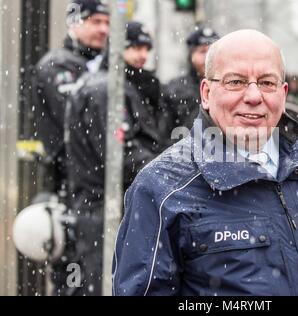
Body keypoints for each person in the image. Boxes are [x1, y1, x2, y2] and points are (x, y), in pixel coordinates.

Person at [112, 29, 298, 296]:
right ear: (206, 93)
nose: (253, 96)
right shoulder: (161, 188)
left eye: (266, 82)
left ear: (283, 93)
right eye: (236, 82)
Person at [54, 21, 166, 296]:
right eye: (134, 47)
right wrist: (167, 170)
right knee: (104, 283)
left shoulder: (108, 86)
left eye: (145, 48)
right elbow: (121, 154)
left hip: (98, 208)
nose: (142, 55)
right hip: (104, 211)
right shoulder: (108, 90)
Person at [33, 0, 110, 195]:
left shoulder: (101, 65)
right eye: (96, 21)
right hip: (70, 182)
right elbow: (79, 121)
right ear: (74, 22)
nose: (103, 29)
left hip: (96, 179)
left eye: (107, 23)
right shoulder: (56, 65)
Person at [163, 26, 219, 130]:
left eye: (212, 52)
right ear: (191, 56)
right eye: (202, 51)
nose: (208, 57)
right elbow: (164, 133)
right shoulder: (174, 90)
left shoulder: (232, 87)